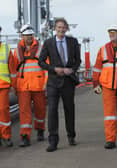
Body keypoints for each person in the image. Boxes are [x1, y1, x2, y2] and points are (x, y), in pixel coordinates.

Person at [38, 18, 81, 152]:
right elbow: (41, 61)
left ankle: (71, 135)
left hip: (68, 81)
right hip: (53, 82)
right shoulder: (48, 43)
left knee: (69, 109)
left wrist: (72, 69)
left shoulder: (73, 42)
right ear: (54, 29)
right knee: (52, 111)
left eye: (63, 27)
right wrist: (54, 69)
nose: (61, 30)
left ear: (67, 28)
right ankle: (53, 141)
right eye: (59, 27)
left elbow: (78, 60)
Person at [93, 24, 117, 149]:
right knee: (109, 114)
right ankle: (110, 139)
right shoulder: (102, 50)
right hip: (107, 87)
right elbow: (97, 68)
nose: (111, 34)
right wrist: (96, 84)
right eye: (110, 32)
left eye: (114, 32)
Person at [13, 24, 47, 147]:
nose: (28, 37)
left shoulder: (41, 48)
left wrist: (46, 83)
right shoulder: (17, 51)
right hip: (23, 86)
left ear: (33, 35)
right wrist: (14, 85)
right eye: (26, 35)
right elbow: (13, 70)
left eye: (30, 35)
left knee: (40, 110)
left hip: (38, 85)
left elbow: (46, 67)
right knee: (24, 112)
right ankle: (25, 136)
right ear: (22, 36)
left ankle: (40, 130)